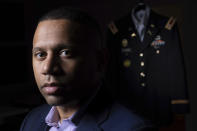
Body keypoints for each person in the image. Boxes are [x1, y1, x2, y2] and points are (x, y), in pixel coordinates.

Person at [20, 7, 156, 131]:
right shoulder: (31, 120)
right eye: (40, 54)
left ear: (100, 61)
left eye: (66, 53)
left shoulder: (134, 128)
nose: (48, 68)